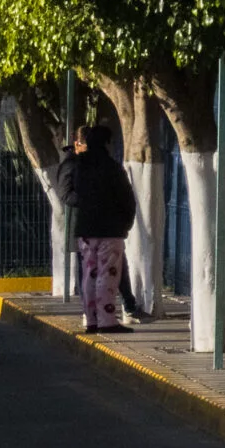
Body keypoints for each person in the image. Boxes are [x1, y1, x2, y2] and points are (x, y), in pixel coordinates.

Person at [59, 118, 138, 334]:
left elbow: (73, 193)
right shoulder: (112, 168)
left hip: (86, 229)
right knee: (108, 274)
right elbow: (127, 198)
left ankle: (91, 320)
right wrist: (126, 223)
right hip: (110, 230)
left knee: (89, 274)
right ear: (107, 143)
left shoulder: (80, 166)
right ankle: (107, 321)